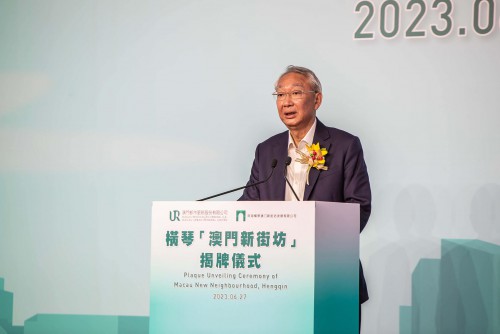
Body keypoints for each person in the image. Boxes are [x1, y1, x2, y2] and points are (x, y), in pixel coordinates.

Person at [239, 65, 371, 330]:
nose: (286, 101)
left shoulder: (345, 145)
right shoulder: (267, 150)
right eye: (279, 94)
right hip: (275, 276)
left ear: (317, 99)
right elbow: (249, 202)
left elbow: (359, 206)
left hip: (331, 277)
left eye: (296, 92)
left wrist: (317, 242)